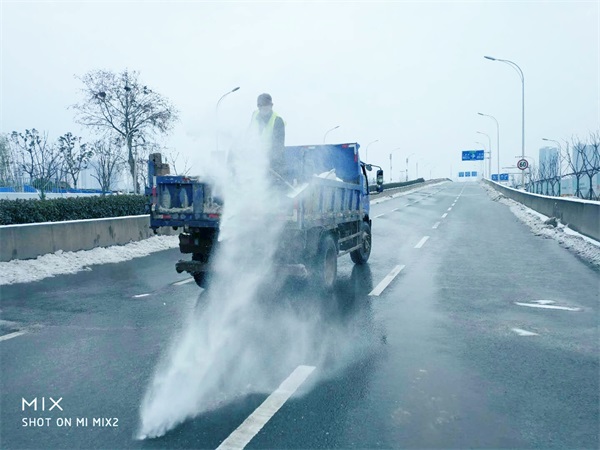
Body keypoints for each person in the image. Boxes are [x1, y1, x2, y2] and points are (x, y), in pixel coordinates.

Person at [249, 93, 286, 175]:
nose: (267, 108)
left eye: (269, 105)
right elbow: (249, 135)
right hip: (256, 161)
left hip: (272, 164)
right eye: (263, 105)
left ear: (272, 105)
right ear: (258, 106)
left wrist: (269, 162)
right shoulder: (254, 116)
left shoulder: (277, 121)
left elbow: (278, 147)